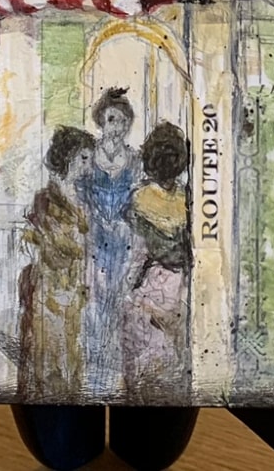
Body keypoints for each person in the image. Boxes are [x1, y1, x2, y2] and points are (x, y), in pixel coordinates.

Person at [19, 126, 94, 400]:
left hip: (72, 290)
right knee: (49, 352)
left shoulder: (80, 198)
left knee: (70, 350)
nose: (87, 167)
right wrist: (76, 250)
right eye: (83, 159)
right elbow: (53, 247)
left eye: (89, 160)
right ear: (68, 156)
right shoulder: (46, 199)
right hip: (51, 288)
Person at [123, 122, 193, 400]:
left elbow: (134, 252)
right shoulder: (187, 199)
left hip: (151, 285)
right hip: (178, 287)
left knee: (143, 359)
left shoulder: (139, 198)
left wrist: (128, 286)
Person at [80, 87, 139, 397]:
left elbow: (136, 198)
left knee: (117, 299)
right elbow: (81, 191)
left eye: (122, 121)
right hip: (95, 236)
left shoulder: (134, 159)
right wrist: (96, 218)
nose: (117, 127)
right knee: (96, 298)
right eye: (112, 120)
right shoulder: (90, 156)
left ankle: (111, 368)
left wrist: (123, 220)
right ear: (101, 121)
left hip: (122, 238)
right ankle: (94, 365)